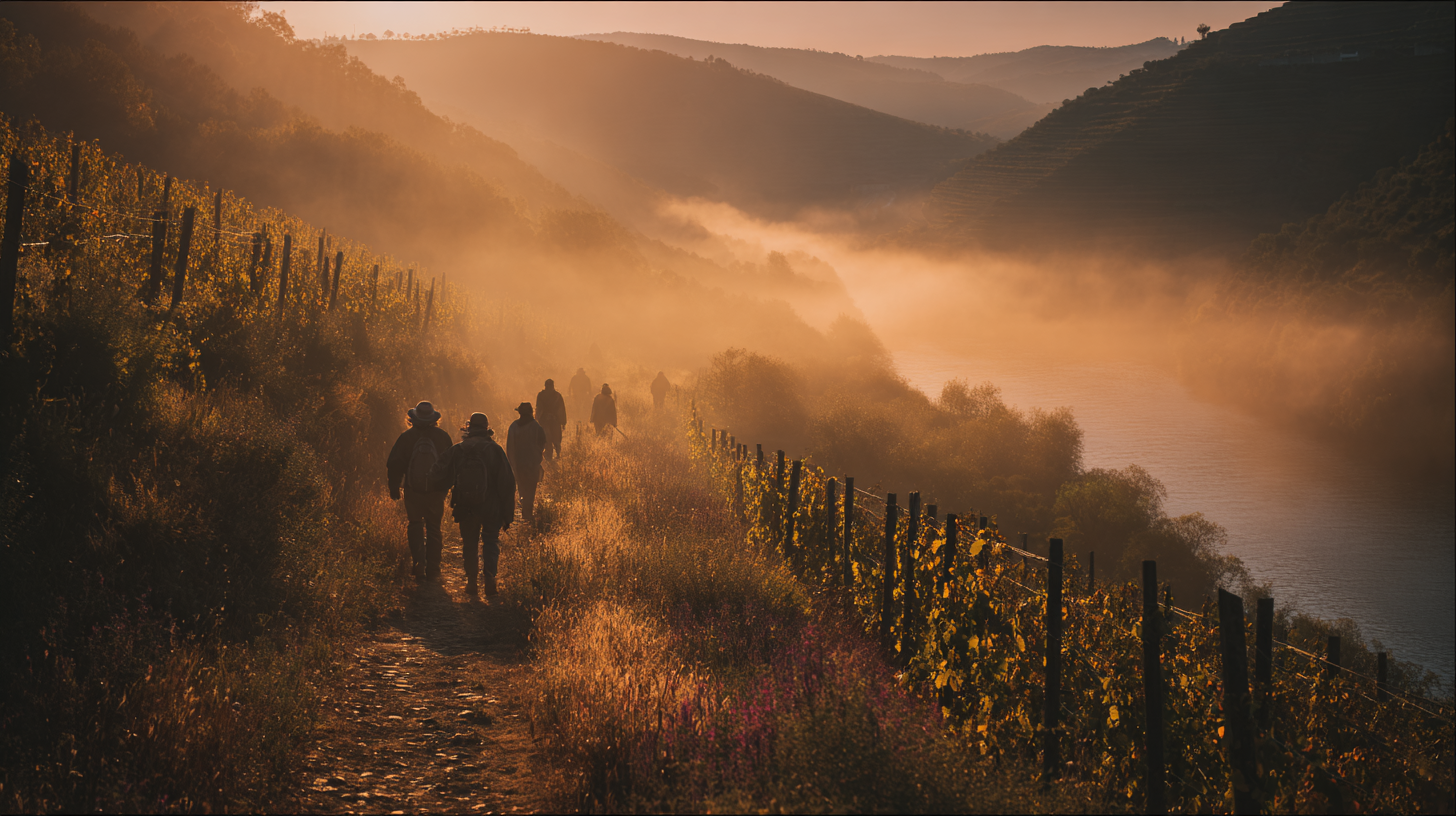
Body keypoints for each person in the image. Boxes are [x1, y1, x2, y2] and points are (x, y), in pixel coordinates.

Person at [428, 412, 515, 596]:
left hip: (465, 504)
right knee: (490, 541)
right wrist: (508, 514)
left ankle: (471, 582)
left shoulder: (458, 450)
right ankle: (490, 579)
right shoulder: (495, 450)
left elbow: (437, 472)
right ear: (486, 428)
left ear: (469, 427)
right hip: (491, 506)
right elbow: (507, 483)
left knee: (469, 543)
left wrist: (441, 491)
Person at [386, 401, 453, 580]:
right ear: (434, 418)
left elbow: (394, 464)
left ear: (413, 418)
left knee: (415, 525)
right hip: (436, 491)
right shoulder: (442, 437)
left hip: (413, 490)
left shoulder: (406, 437)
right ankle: (433, 569)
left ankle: (418, 564)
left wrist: (394, 487)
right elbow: (451, 465)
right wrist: (448, 488)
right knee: (434, 528)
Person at [507, 402, 549, 530]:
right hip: (531, 465)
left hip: (517, 465)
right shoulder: (536, 427)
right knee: (530, 490)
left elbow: (509, 447)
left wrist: (512, 464)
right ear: (532, 412)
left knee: (521, 488)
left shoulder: (513, 426)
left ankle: (524, 511)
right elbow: (543, 444)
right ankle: (527, 515)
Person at [536, 378, 567, 459]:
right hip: (555, 420)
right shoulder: (557, 395)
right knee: (556, 438)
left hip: (545, 420)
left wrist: (537, 419)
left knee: (547, 438)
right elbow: (561, 409)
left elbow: (538, 408)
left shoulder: (541, 395)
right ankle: (557, 454)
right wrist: (563, 422)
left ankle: (549, 455)